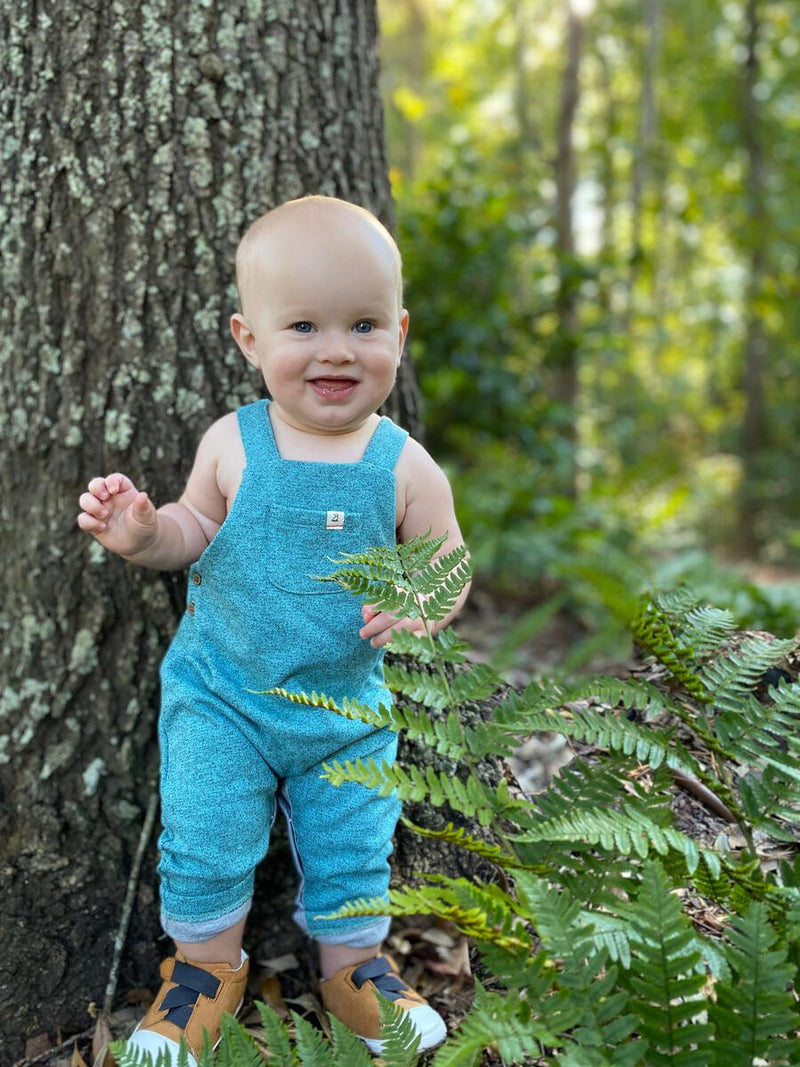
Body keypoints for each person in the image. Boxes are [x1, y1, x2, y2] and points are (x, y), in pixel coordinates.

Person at [77, 195, 469, 1064]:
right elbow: (193, 530)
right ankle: (203, 973)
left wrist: (421, 605)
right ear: (248, 339)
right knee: (206, 833)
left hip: (343, 706)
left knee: (355, 844)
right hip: (225, 696)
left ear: (399, 335)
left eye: (364, 324)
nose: (335, 349)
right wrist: (145, 534)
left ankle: (355, 972)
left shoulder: (402, 464)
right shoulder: (233, 443)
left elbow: (450, 566)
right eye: (302, 325)